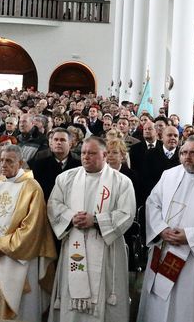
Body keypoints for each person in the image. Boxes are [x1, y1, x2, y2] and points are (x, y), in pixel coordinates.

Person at [137, 135, 194, 322]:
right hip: (164, 248)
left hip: (193, 256)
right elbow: (152, 203)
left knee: (187, 305)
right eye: (184, 152)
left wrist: (189, 236)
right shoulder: (169, 175)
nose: (187, 157)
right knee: (158, 302)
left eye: (193, 153)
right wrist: (161, 229)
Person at [48, 136, 136, 322]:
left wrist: (95, 220)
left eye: (92, 153)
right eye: (83, 153)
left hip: (106, 249)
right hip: (74, 241)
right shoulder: (66, 178)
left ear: (104, 155)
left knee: (105, 294)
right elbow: (53, 205)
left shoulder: (121, 182)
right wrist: (71, 217)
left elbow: (127, 213)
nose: (86, 157)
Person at [0, 144, 56, 322]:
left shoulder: (32, 187)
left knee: (19, 309)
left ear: (21, 163)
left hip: (19, 255)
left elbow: (33, 226)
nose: (3, 165)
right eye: (1, 160)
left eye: (9, 161)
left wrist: (2, 245)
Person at [28, 128, 81, 200]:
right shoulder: (40, 164)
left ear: (70, 144)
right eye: (56, 140)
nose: (58, 142)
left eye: (62, 140)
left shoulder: (79, 165)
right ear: (51, 144)